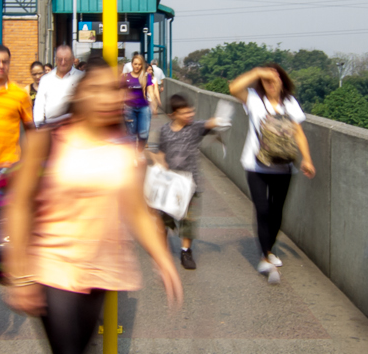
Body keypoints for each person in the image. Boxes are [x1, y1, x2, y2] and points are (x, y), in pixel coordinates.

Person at [1, 60, 183, 354]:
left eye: (117, 91)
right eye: (100, 90)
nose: (111, 98)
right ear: (80, 94)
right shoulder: (48, 139)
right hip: (53, 265)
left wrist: (163, 260)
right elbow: (19, 203)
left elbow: (137, 210)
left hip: (104, 270)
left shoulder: (125, 150)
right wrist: (20, 277)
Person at [229, 64, 315, 284]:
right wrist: (257, 72)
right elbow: (233, 88)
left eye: (274, 80)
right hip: (255, 164)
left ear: (282, 81)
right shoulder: (254, 99)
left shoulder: (290, 103)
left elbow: (299, 134)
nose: (270, 84)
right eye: (266, 81)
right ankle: (265, 255)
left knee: (277, 211)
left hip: (283, 166)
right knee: (263, 209)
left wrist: (306, 158)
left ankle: (270, 248)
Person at [148, 93, 223, 270]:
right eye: (184, 113)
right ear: (173, 114)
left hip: (191, 183)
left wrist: (220, 119)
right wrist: (160, 162)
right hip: (170, 184)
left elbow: (209, 123)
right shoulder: (165, 131)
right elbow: (157, 151)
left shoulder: (195, 127)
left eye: (191, 112)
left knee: (189, 220)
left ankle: (185, 251)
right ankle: (161, 250)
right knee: (163, 220)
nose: (190, 115)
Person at [32, 43, 83, 127]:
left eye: (66, 59)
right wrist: (38, 126)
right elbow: (39, 105)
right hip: (51, 126)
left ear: (73, 59)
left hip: (75, 127)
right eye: (60, 59)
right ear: (55, 60)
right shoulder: (46, 79)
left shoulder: (81, 77)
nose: (63, 63)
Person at [122, 52, 157, 145]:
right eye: (135, 64)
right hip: (129, 108)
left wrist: (154, 104)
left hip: (144, 108)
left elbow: (150, 91)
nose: (137, 66)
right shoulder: (125, 77)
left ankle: (140, 152)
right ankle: (134, 157)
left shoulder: (146, 76)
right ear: (132, 64)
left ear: (142, 65)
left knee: (143, 134)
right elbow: (121, 93)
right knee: (131, 135)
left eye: (139, 64)